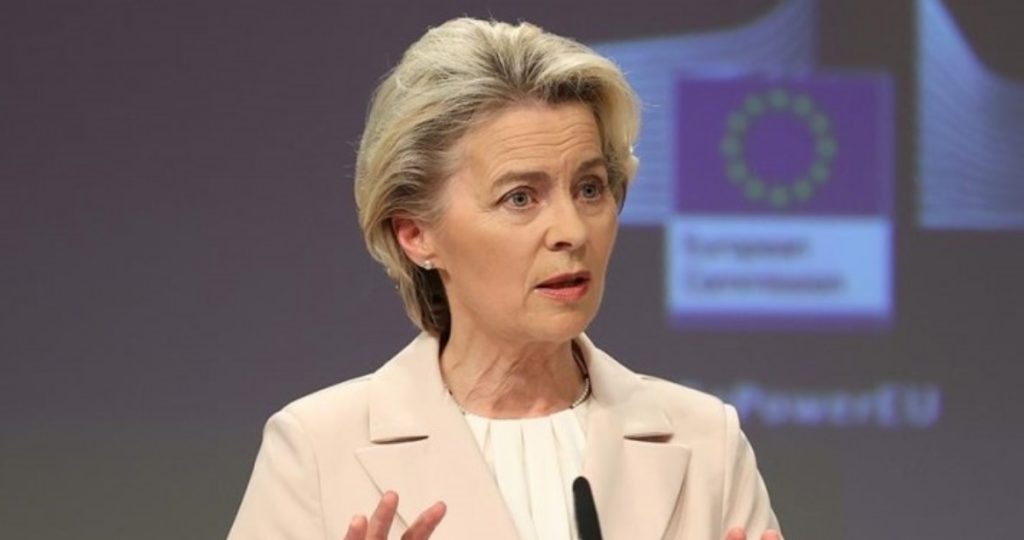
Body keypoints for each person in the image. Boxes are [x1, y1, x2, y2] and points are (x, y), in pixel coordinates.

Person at [228, 17, 782, 540]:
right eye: (520, 198)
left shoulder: (707, 441)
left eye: (590, 189)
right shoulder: (316, 451)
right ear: (416, 234)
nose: (571, 231)